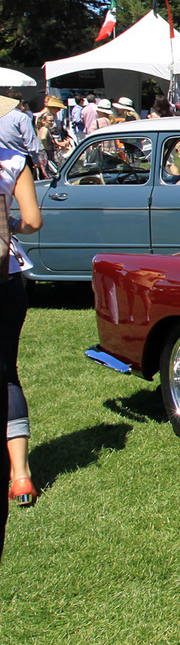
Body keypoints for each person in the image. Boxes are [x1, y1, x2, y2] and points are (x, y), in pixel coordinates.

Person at [2, 142, 42, 507]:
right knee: (7, 373)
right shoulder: (13, 160)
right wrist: (9, 224)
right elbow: (32, 221)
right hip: (7, 277)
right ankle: (21, 475)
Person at [0, 96, 42, 170]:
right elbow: (29, 140)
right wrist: (35, 160)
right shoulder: (22, 117)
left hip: (3, 158)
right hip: (22, 157)